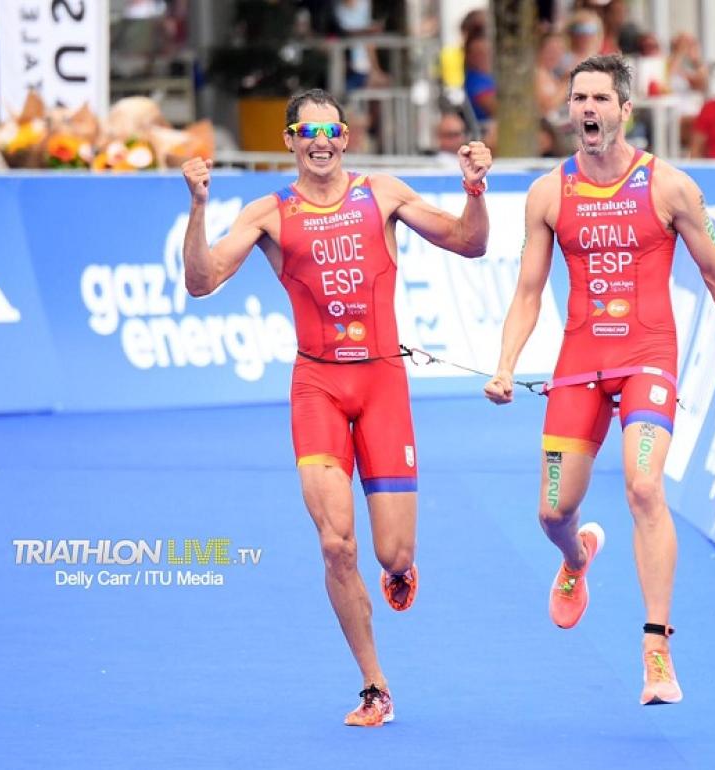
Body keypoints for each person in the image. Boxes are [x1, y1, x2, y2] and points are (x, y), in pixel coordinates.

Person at [180, 89, 492, 726]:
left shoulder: (382, 194)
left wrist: (475, 192)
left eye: (331, 130)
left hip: (381, 386)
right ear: (290, 141)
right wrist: (198, 208)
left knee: (391, 554)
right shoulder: (269, 212)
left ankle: (401, 570)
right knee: (335, 545)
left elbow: (468, 243)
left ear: (346, 138)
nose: (320, 141)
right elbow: (202, 280)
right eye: (306, 131)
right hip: (317, 388)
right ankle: (375, 686)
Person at [482, 55, 715, 706]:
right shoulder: (549, 193)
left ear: (624, 110)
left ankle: (657, 649)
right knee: (552, 510)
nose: (587, 108)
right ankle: (577, 557)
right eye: (578, 97)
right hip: (580, 365)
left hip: (648, 360)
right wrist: (504, 362)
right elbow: (528, 291)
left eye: (600, 99)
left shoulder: (670, 188)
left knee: (644, 486)